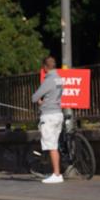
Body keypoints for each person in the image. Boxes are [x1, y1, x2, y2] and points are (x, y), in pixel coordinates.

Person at [32, 56, 64, 184]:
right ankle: (56, 172)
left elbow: (35, 97)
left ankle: (56, 174)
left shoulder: (49, 80)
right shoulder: (59, 79)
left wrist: (40, 101)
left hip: (49, 115)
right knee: (55, 144)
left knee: (51, 146)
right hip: (58, 113)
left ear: (45, 67)